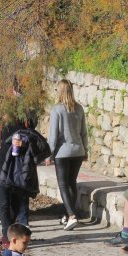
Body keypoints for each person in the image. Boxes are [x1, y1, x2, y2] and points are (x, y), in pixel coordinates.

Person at [0, 110, 33, 247]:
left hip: (18, 169)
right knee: (3, 203)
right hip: (2, 167)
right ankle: (6, 236)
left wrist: (24, 144)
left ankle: (11, 232)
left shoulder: (26, 122)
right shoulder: (2, 123)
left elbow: (34, 140)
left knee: (15, 204)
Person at [48, 79, 88, 231]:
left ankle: (71, 215)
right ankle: (68, 214)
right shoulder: (79, 109)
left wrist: (49, 154)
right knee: (72, 182)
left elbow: (54, 135)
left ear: (60, 91)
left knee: (63, 184)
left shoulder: (57, 109)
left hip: (62, 152)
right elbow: (84, 132)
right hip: (78, 150)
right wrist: (86, 150)